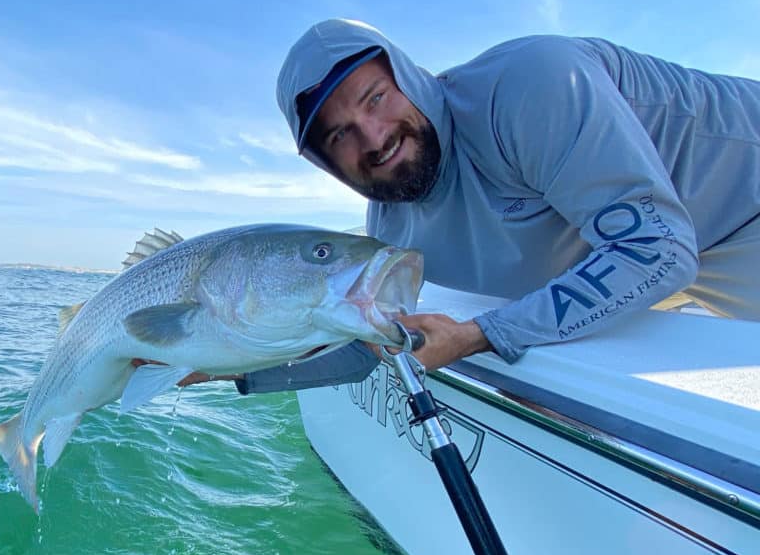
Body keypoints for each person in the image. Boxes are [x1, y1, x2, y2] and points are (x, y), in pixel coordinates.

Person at [216, 19, 760, 396]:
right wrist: (226, 366)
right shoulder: (389, 223)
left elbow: (655, 251)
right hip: (649, 245)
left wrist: (481, 336)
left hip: (740, 208)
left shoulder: (531, 85)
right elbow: (376, 341)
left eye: (375, 97)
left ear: (408, 77)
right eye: (339, 134)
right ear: (323, 161)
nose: (374, 137)